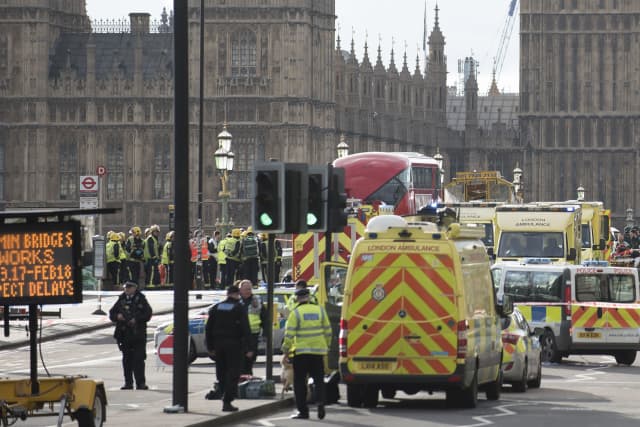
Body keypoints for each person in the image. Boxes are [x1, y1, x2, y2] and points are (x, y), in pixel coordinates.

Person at [281, 287, 331, 420]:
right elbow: (328, 331)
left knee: (299, 383)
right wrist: (327, 345)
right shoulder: (320, 310)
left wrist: (285, 351)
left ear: (297, 299)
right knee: (319, 380)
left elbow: (289, 334)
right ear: (308, 297)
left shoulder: (296, 313)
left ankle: (303, 411)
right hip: (318, 352)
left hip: (301, 353)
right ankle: (320, 403)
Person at [205, 285, 252, 412]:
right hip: (234, 345)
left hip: (218, 345)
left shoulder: (216, 307)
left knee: (221, 371)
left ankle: (222, 393)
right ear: (237, 294)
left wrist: (209, 346)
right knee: (234, 372)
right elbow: (245, 328)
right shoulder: (239, 308)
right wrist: (249, 348)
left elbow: (208, 328)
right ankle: (227, 400)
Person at [109, 281, 153, 390]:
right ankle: (128, 383)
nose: (127, 290)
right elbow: (112, 313)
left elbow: (147, 314)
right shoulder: (121, 299)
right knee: (127, 359)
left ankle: (140, 383)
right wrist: (117, 316)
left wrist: (136, 319)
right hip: (124, 334)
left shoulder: (141, 299)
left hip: (137, 334)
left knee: (138, 359)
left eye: (129, 288)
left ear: (134, 288)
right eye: (125, 288)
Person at [239, 279, 266, 375]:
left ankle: (247, 381)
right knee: (240, 364)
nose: (248, 291)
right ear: (240, 290)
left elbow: (265, 317)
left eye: (249, 289)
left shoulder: (257, 300)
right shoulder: (236, 300)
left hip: (253, 336)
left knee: (249, 362)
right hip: (240, 337)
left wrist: (266, 333)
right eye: (246, 289)